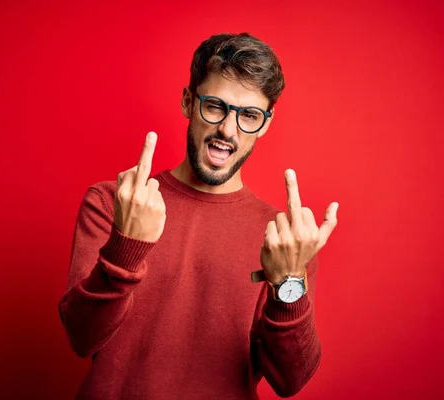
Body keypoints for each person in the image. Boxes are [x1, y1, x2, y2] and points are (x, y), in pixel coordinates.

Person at [58, 32, 339, 399]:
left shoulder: (283, 240)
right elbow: (81, 338)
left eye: (249, 115)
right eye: (215, 106)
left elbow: (291, 380)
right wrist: (125, 245)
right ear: (189, 101)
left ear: (266, 123)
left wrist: (290, 282)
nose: (227, 129)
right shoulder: (116, 202)